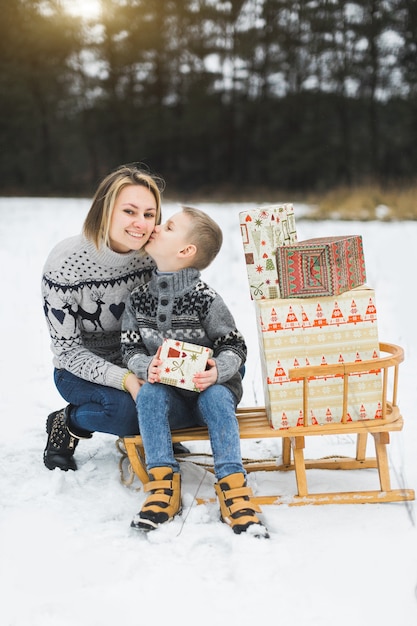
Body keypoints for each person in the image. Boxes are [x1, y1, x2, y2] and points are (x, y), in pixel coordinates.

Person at [121, 206, 269, 537]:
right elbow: (130, 349)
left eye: (169, 226)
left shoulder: (205, 299)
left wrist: (219, 369)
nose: (157, 227)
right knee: (149, 394)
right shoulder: (138, 300)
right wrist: (148, 366)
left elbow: (235, 346)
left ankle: (233, 485)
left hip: (207, 393)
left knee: (217, 397)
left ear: (186, 251)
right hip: (169, 400)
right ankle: (163, 485)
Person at [42, 164, 188, 472]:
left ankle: (159, 422)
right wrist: (125, 380)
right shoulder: (65, 264)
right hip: (82, 370)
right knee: (123, 412)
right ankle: (68, 421)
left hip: (143, 359)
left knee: (227, 374)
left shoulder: (153, 256)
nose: (141, 223)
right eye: (130, 212)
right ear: (105, 210)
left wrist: (169, 265)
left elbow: (173, 322)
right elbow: (67, 351)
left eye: (149, 215)